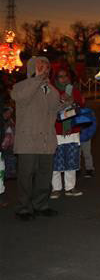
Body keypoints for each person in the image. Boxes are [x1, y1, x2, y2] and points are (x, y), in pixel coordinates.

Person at [10, 56, 63, 221]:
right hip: (28, 141)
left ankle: (41, 205)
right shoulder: (21, 86)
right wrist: (37, 78)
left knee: (44, 175)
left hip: (46, 141)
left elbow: (55, 110)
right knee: (26, 175)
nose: (45, 69)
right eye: (41, 66)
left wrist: (66, 104)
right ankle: (23, 208)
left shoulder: (52, 90)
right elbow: (20, 97)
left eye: (47, 67)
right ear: (32, 68)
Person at [50, 67, 83, 198]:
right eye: (60, 76)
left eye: (65, 76)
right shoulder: (52, 91)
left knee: (71, 159)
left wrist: (72, 101)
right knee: (56, 161)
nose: (63, 79)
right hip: (56, 131)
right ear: (56, 78)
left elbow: (81, 106)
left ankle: (70, 187)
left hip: (72, 131)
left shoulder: (73, 90)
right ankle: (56, 188)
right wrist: (60, 101)